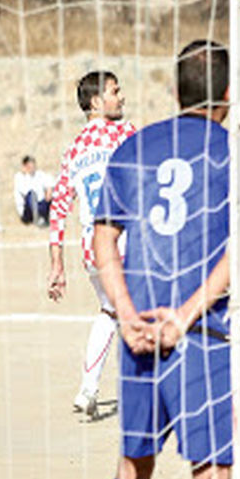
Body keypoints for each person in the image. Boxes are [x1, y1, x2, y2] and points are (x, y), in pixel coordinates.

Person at [93, 39, 233, 479]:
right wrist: (185, 316)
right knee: (212, 472)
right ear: (228, 95)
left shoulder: (132, 148)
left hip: (137, 333)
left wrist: (127, 316)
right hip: (201, 332)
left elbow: (104, 239)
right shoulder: (235, 152)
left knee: (134, 464)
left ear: (177, 94)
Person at [47, 70, 136, 418]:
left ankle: (88, 389)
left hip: (90, 246)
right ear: (97, 102)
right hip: (123, 238)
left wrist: (57, 264)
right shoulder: (125, 133)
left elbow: (58, 209)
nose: (121, 97)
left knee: (109, 312)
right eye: (115, 91)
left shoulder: (74, 150)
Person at [13, 155, 53, 227]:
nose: (32, 169)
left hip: (40, 205)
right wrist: (26, 174)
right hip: (27, 209)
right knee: (31, 195)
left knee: (53, 195)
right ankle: (38, 218)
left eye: (33, 166)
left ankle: (46, 217)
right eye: (29, 167)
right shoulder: (19, 177)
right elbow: (25, 192)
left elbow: (50, 181)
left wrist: (49, 190)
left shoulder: (39, 174)